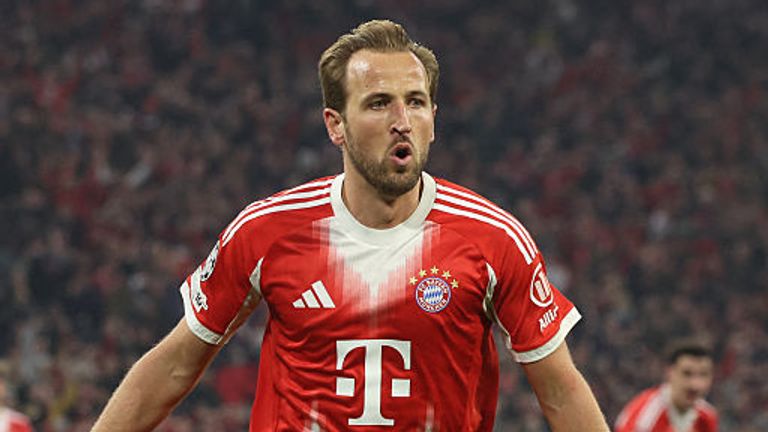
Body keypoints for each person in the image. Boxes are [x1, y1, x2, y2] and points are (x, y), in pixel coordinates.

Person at [91, 19, 608, 431]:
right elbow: (177, 363)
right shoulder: (267, 231)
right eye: (379, 103)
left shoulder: (493, 240)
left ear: (434, 118)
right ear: (334, 125)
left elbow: (559, 390)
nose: (402, 119)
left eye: (416, 102)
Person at [614, 339, 718, 432]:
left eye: (703, 375)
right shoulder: (645, 417)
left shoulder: (707, 417)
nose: (695, 385)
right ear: (670, 372)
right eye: (687, 373)